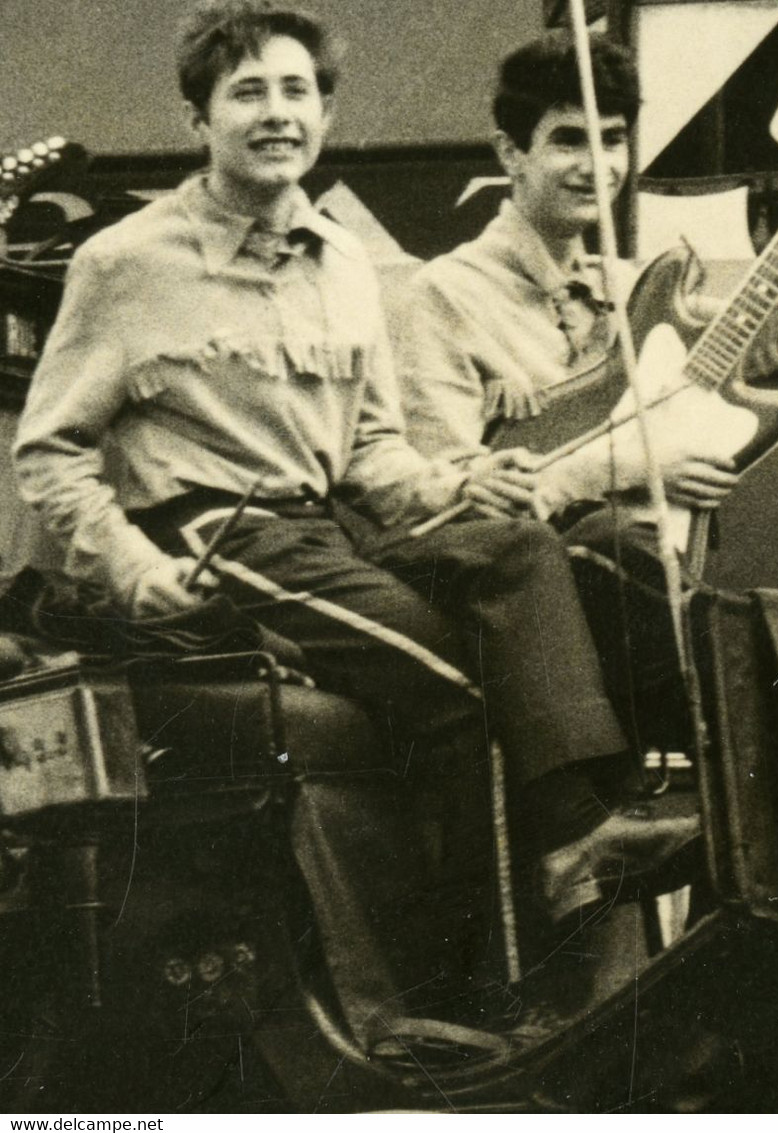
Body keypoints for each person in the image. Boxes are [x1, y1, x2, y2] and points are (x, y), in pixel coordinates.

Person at [12, 1, 697, 1050]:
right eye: (247, 92)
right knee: (451, 685)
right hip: (215, 532)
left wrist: (464, 484)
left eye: (297, 91)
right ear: (199, 118)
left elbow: (374, 454)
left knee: (519, 549)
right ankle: (448, 995)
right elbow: (50, 453)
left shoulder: (345, 266)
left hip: (331, 526)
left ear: (326, 111)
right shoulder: (126, 262)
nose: (276, 113)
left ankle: (577, 842)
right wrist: (136, 571)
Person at [394, 27, 778, 765]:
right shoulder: (441, 297)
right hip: (531, 624)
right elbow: (448, 507)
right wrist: (631, 465)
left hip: (650, 595)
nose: (597, 166)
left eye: (614, 140)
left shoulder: (635, 288)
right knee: (769, 698)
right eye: (567, 141)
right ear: (509, 153)